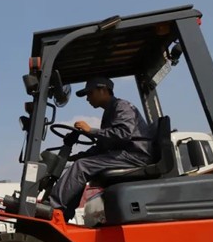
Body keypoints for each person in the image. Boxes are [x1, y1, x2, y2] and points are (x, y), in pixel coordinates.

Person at [49, 77, 154, 221]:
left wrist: (90, 131)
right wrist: (79, 155)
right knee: (81, 163)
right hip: (125, 154)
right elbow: (104, 146)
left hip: (135, 155)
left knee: (82, 166)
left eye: (90, 93)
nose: (87, 98)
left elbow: (123, 134)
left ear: (103, 90)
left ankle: (53, 207)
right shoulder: (110, 111)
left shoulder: (122, 106)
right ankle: (64, 213)